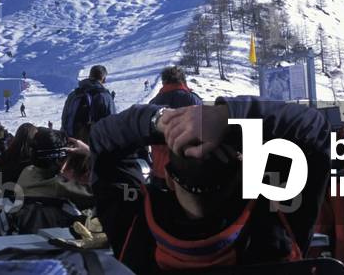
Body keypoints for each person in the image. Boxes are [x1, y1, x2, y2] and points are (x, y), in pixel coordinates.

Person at [89, 98, 329, 271]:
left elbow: (102, 138)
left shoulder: (134, 228)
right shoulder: (279, 217)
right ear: (246, 175)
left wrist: (162, 121)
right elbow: (313, 127)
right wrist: (227, 117)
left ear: (170, 181)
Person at [148, 66, 203, 183]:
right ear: (182, 80)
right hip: (188, 168)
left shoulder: (152, 103)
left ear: (163, 82)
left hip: (160, 169)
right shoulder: (193, 100)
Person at [60, 65, 116, 141]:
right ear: (104, 79)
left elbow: (65, 118)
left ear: (89, 76)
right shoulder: (105, 96)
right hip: (92, 145)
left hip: (70, 141)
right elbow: (111, 124)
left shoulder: (74, 94)